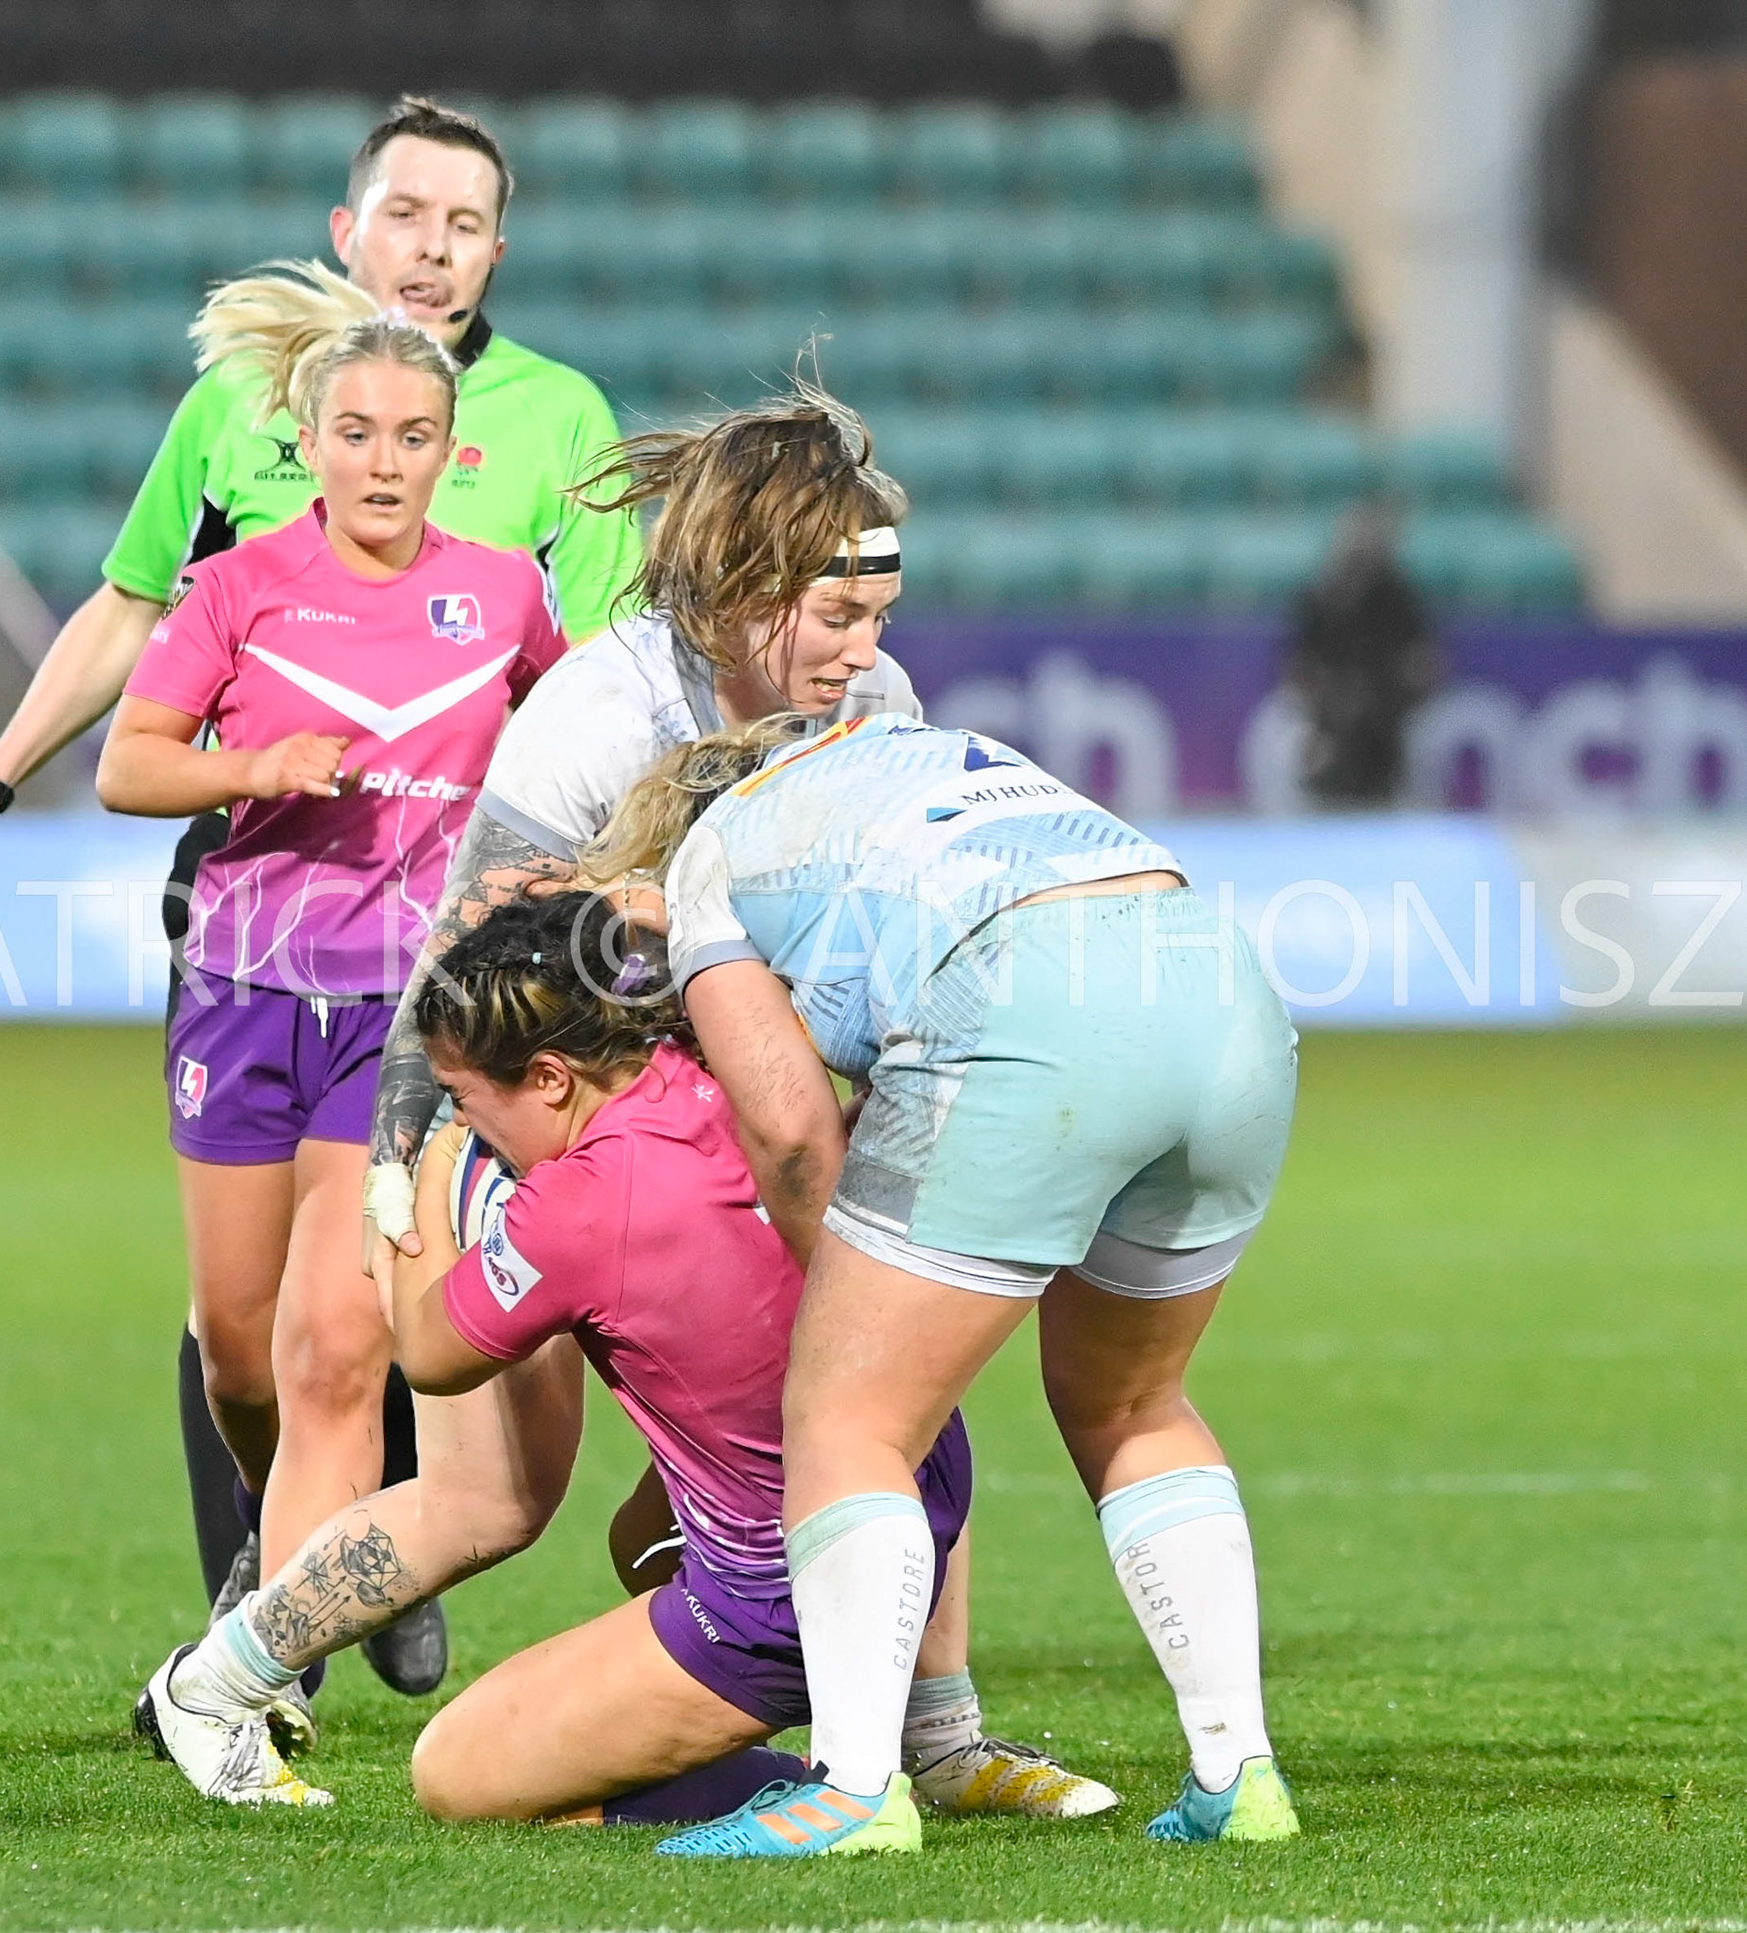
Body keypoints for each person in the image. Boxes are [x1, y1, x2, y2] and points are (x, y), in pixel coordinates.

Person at [0, 95, 641, 1688]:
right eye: (408, 215)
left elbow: (597, 683)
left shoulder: (563, 421)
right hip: (246, 910)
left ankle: (318, 1595)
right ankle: (319, 1536)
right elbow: (130, 608)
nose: (433, 247)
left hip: (446, 934)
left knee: (348, 1307)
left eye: (465, 223)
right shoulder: (243, 407)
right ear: (347, 231)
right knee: (240, 1331)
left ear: (498, 250)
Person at [354, 390, 1114, 1819]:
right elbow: (462, 949)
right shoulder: (598, 709)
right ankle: (235, 1677)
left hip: (751, 1121)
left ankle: (919, 1745)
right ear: (745, 591)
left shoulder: (868, 706)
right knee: (495, 1489)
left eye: (876, 614)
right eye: (836, 614)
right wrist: (398, 1151)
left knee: (881, 1387)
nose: (866, 653)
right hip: (564, 1121)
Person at [574, 709, 1302, 1855]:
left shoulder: (713, 855)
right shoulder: (922, 752)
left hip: (1029, 1001)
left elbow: (794, 1138)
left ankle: (852, 1790)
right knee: (1132, 1402)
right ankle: (1238, 1774)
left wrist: (847, 1306)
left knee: (844, 1417)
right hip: (1223, 991)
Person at [137, 890, 976, 1831]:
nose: (466, 1117)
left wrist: (429, 1175)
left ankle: (830, 1781)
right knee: (636, 1538)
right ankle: (920, 1732)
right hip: (917, 1492)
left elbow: (428, 1354)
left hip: (776, 1598)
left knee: (457, 1768)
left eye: (465, 1096)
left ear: (547, 1078)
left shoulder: (580, 1204)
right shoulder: (714, 1059)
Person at [96, 309, 565, 1744]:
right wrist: (256, 763)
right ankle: (299, 1538)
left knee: (327, 1351)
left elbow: (568, 745)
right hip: (240, 993)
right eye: (354, 433)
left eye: (412, 436)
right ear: (305, 443)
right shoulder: (239, 585)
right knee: (238, 1354)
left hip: (404, 1019)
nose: (383, 461)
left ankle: (260, 1686)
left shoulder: (502, 595)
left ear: (451, 449)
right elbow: (128, 765)